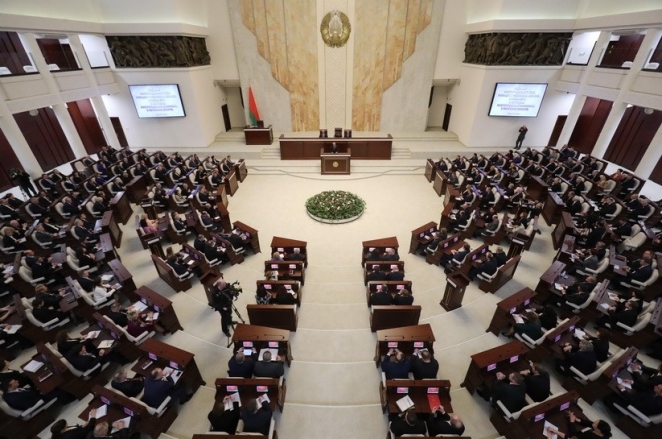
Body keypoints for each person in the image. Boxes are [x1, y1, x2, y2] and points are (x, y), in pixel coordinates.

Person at [545, 412, 612, 439]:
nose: (593, 423)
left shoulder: (589, 437)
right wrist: (577, 419)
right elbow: (590, 423)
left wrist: (571, 422)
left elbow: (573, 435)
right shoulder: (603, 433)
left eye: (595, 423)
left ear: (598, 430)